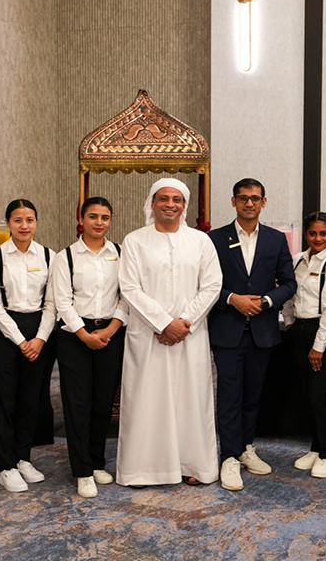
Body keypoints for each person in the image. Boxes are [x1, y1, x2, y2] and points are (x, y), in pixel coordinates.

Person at [116, 178, 223, 487]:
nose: (170, 204)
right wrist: (163, 323)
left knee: (191, 400)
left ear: (184, 206)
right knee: (147, 400)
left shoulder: (200, 241)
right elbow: (129, 288)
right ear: (152, 203)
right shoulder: (135, 241)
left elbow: (212, 285)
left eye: (177, 199)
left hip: (190, 334)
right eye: (163, 198)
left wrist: (183, 322)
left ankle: (193, 465)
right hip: (149, 334)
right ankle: (142, 469)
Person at [208, 178, 297, 491]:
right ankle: (229, 457)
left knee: (252, 396)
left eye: (255, 198)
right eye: (243, 198)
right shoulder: (215, 238)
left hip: (262, 331)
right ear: (233, 201)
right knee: (229, 396)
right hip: (227, 330)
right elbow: (205, 283)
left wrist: (266, 301)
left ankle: (246, 447)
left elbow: (289, 282)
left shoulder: (276, 239)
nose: (249, 203)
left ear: (263, 202)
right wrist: (233, 299)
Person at [51, 197, 127, 498]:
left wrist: (109, 330)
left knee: (102, 402)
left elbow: (126, 296)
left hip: (110, 334)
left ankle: (96, 462)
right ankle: (82, 471)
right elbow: (62, 301)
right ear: (81, 219)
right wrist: (84, 335)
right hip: (74, 337)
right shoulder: (66, 257)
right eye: (93, 216)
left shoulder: (119, 253)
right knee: (77, 403)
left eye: (105, 217)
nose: (99, 222)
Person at [0, 199, 57, 492]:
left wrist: (39, 339)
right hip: (5, 332)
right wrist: (21, 341)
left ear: (36, 222)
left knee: (31, 399)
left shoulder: (49, 256)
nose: (24, 226)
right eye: (18, 220)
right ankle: (6, 466)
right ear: (8, 223)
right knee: (4, 400)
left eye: (29, 220)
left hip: (40, 331)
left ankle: (23, 457)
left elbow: (52, 303)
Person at [283, 212, 326, 479]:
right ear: (306, 234)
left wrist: (319, 346)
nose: (318, 238)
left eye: (323, 233)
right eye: (313, 233)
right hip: (301, 329)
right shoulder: (298, 260)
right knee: (308, 392)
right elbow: (290, 293)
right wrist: (290, 321)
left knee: (321, 393)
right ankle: (315, 447)